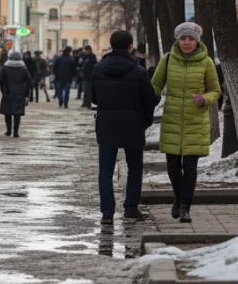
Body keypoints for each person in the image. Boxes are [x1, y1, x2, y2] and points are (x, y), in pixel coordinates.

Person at [150, 22, 220, 224]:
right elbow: (155, 84)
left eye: (190, 39)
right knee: (173, 168)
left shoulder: (206, 63)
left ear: (197, 41)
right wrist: (146, 97)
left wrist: (204, 99)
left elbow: (215, 90)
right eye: (183, 38)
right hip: (172, 119)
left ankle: (185, 207)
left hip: (195, 122)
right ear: (177, 40)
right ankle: (178, 197)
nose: (187, 42)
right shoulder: (168, 59)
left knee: (190, 168)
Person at [93, 30, 156, 223]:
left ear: (112, 45)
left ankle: (107, 213)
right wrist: (145, 121)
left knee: (105, 170)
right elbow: (149, 101)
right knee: (135, 167)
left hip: (106, 124)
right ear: (130, 47)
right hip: (133, 124)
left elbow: (94, 98)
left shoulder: (98, 69)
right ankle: (131, 207)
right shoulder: (139, 72)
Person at [0, 50, 32, 137]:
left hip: (8, 92)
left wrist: (3, 88)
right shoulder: (23, 68)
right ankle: (16, 132)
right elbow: (29, 80)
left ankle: (8, 131)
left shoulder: (5, 67)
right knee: (17, 113)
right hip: (19, 92)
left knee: (7, 112)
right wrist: (26, 93)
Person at [79, 45, 99, 110]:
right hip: (85, 76)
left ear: (89, 50)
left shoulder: (92, 57)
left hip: (90, 76)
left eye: (86, 50)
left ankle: (89, 104)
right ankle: (85, 103)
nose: (85, 51)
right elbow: (82, 65)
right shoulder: (84, 56)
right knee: (85, 91)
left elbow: (94, 65)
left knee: (89, 91)